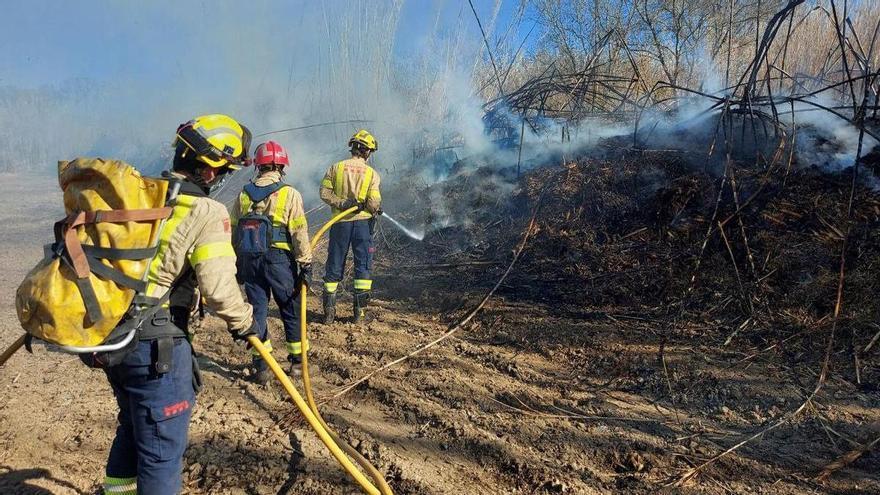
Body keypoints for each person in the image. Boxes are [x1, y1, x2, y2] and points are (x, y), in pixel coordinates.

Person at [102, 114, 257, 495]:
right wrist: (246, 323)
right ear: (208, 169)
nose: (221, 180)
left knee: (134, 424)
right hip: (155, 348)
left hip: (112, 335)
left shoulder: (142, 196)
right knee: (160, 451)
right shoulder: (206, 212)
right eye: (223, 172)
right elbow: (219, 289)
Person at [231, 140, 312, 384]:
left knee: (258, 311)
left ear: (259, 165)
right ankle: (298, 365)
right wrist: (305, 263)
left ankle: (262, 366)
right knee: (290, 307)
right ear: (280, 165)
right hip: (278, 261)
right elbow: (299, 231)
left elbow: (234, 230)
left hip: (249, 260)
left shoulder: (243, 194)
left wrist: (235, 264)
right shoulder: (289, 193)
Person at [319, 129, 382, 324]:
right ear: (367, 152)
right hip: (362, 225)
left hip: (340, 224)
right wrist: (375, 208)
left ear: (352, 148)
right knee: (362, 265)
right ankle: (359, 315)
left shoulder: (335, 168)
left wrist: (342, 203)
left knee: (334, 264)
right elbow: (373, 203)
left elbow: (324, 193)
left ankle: (329, 314)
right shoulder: (372, 174)